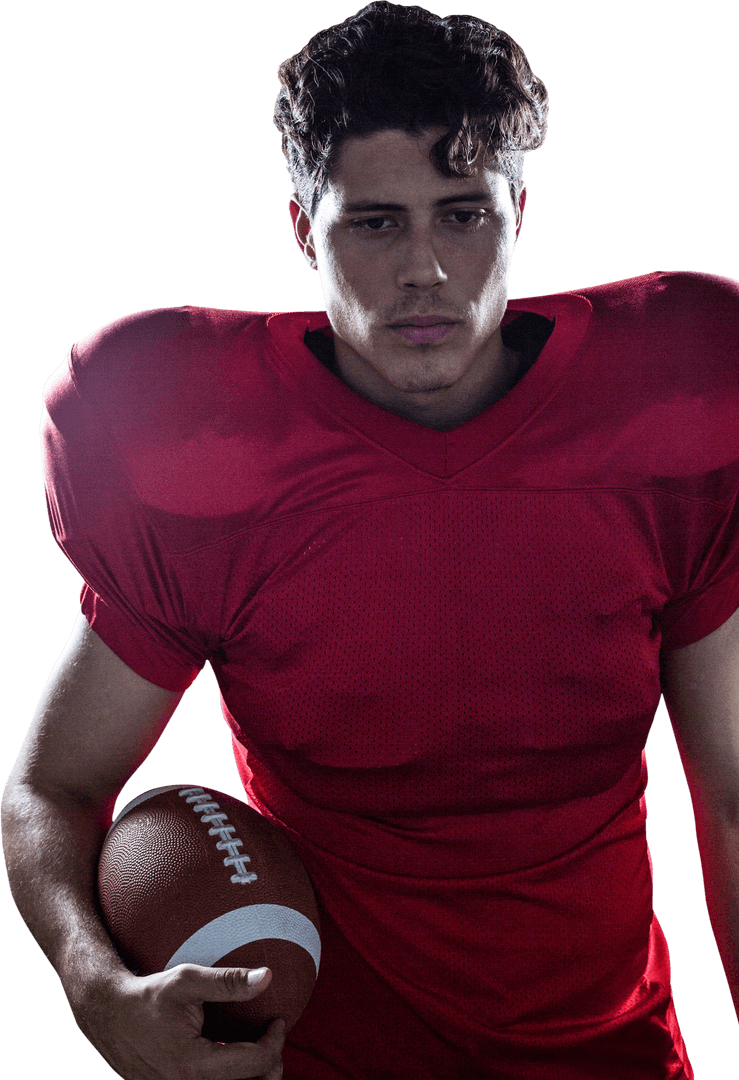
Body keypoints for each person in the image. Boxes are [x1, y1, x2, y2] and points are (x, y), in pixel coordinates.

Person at [2, 2, 737, 1077]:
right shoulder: (202, 452)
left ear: (518, 216)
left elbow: (729, 797)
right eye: (375, 222)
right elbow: (53, 789)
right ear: (305, 230)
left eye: (462, 214)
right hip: (323, 1054)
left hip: (610, 1048)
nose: (425, 269)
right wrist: (96, 987)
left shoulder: (665, 415)